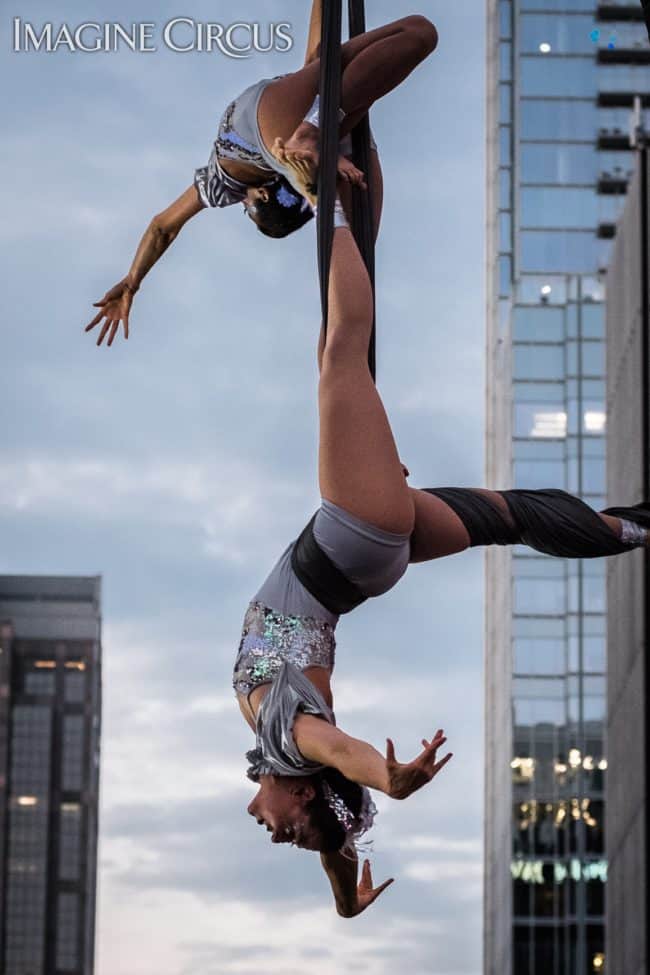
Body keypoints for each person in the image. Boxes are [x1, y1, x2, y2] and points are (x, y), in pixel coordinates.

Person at [235, 196, 650, 918]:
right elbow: (343, 751)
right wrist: (387, 780)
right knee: (341, 352)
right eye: (287, 831)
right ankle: (322, 193)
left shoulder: (293, 761)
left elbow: (335, 847)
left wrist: (344, 901)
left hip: (368, 560)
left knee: (514, 517)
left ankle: (633, 529)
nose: (269, 830)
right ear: (303, 789)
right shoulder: (290, 734)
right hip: (349, 533)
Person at [84, 6, 439, 347]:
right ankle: (317, 135)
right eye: (247, 208)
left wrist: (134, 281)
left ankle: (317, 136)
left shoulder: (226, 183)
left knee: (351, 284)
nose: (242, 201)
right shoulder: (219, 185)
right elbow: (162, 227)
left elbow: (165, 229)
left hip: (279, 125)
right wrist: (132, 281)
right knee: (418, 32)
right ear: (265, 196)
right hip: (270, 117)